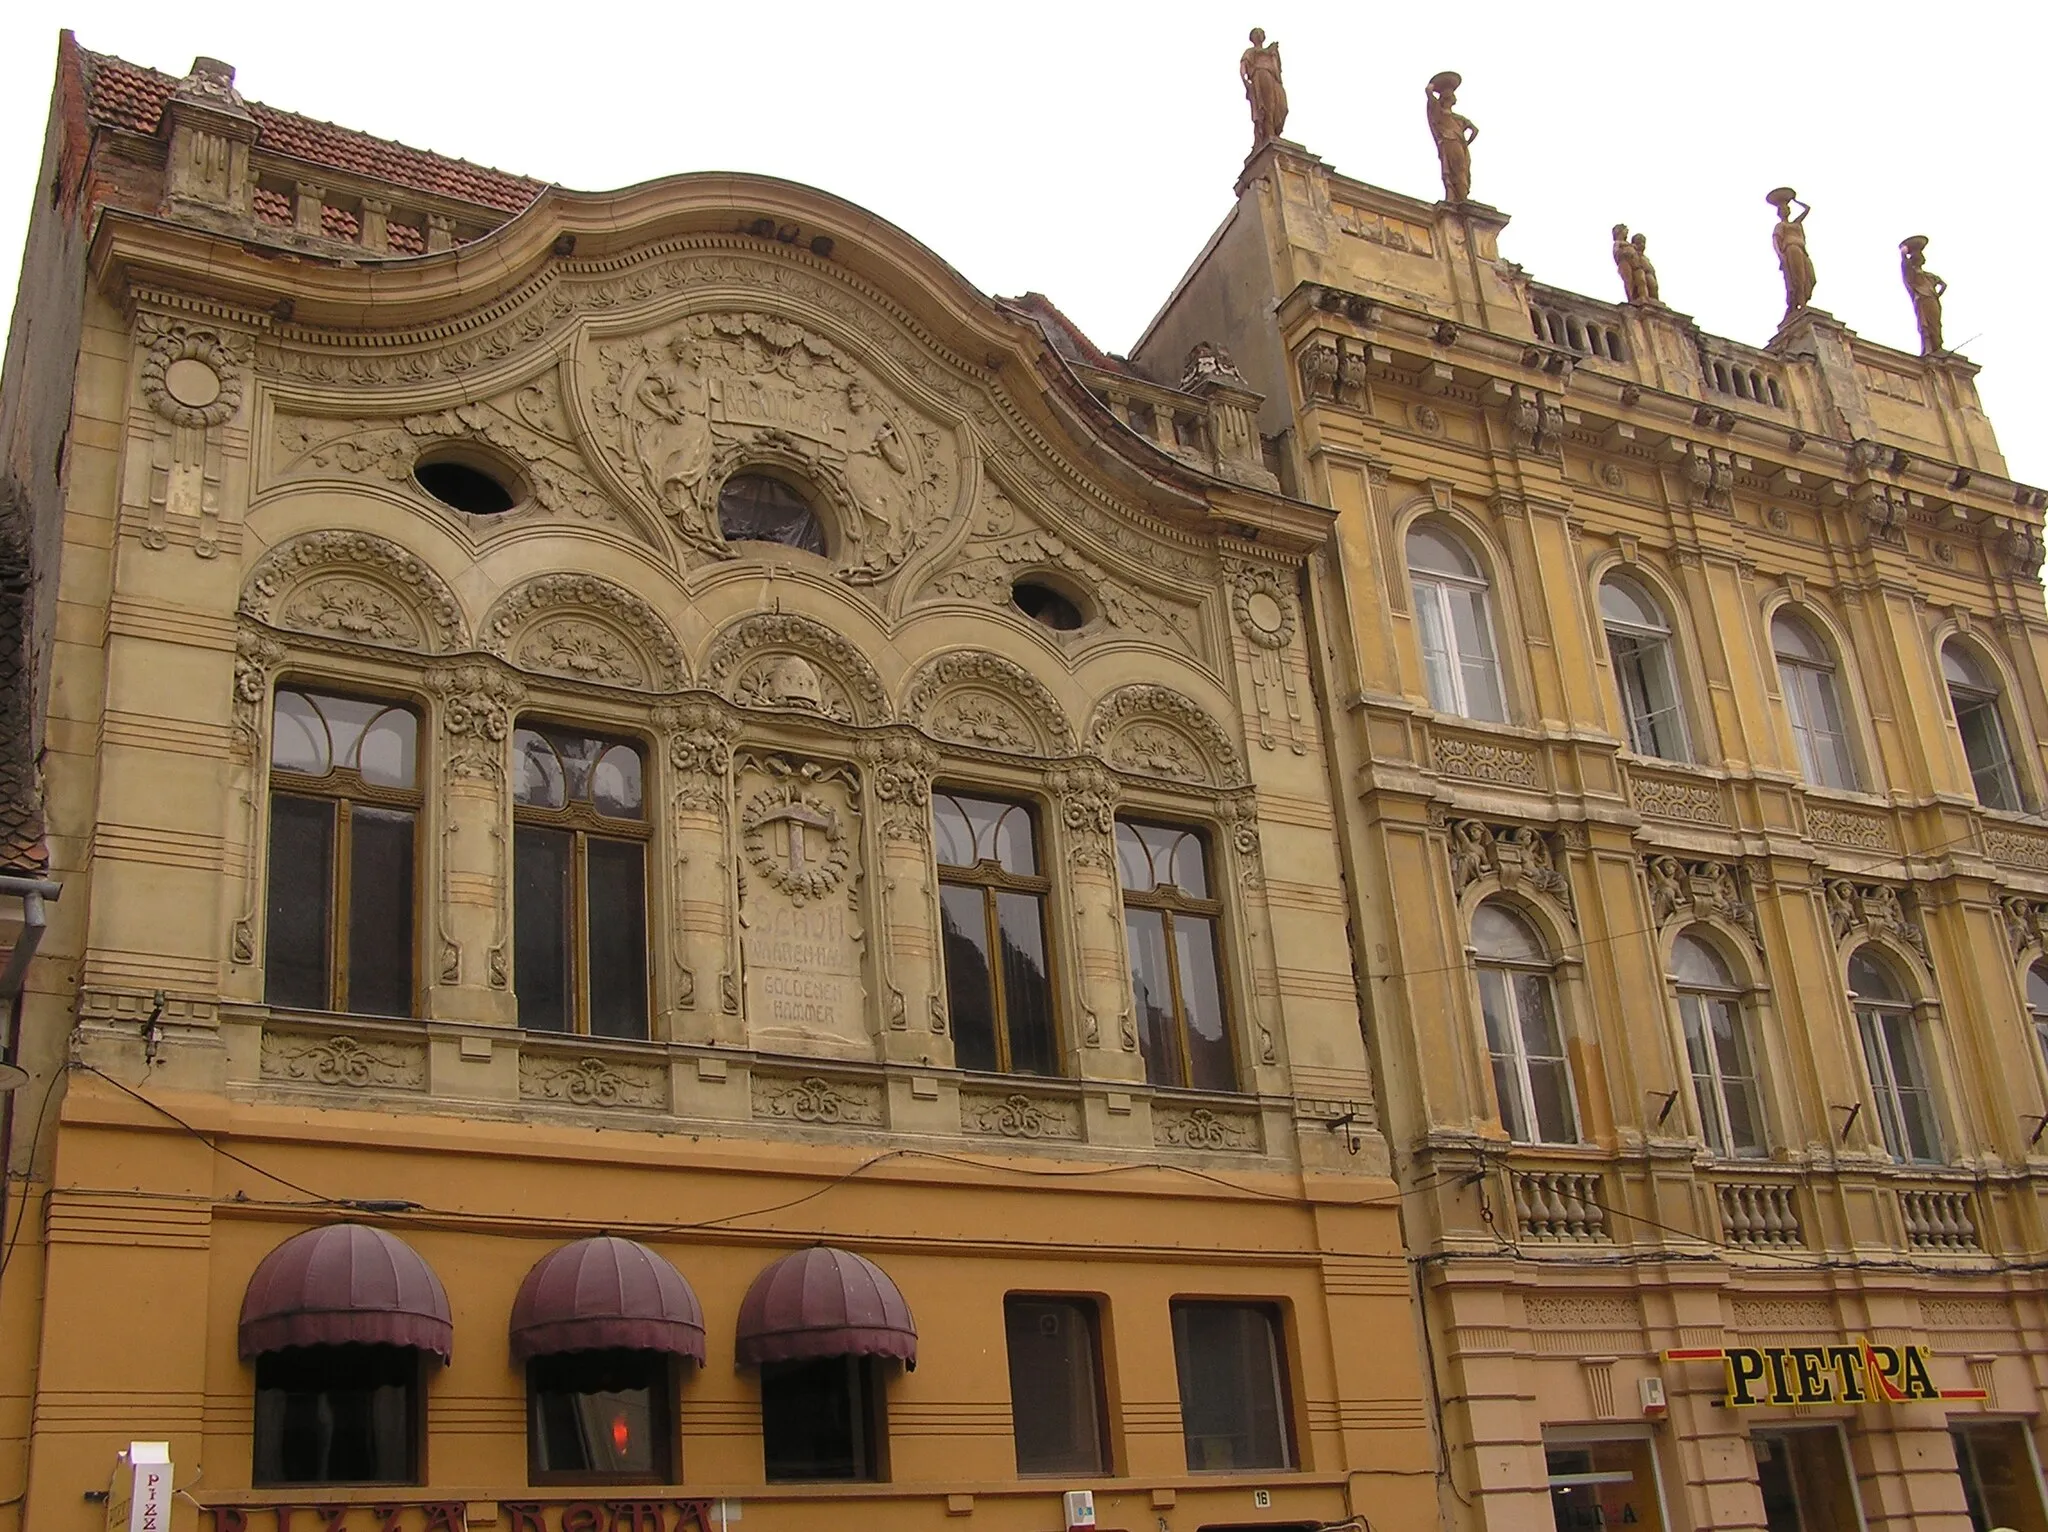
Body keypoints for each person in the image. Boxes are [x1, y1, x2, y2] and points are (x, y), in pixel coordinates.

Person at [1427, 72, 1478, 203]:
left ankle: (1461, 198)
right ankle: (1457, 197)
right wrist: (1432, 88)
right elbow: (1429, 93)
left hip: (1455, 143)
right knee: (1450, 170)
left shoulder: (1458, 118)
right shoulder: (1439, 113)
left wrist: (1466, 143)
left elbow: (1475, 130)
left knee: (1460, 170)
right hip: (1449, 142)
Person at [1768, 188, 1815, 314]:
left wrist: (1794, 200)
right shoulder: (1781, 226)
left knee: (1810, 278)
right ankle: (1800, 304)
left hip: (1802, 251)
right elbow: (1775, 241)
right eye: (1783, 209)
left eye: (1787, 208)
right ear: (1779, 213)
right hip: (1791, 250)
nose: (1785, 210)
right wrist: (1780, 255)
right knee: (1797, 278)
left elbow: (1807, 209)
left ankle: (1801, 302)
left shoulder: (1796, 224)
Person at [1900, 235, 1947, 354]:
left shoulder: (1929, 275)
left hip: (1931, 300)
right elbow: (1905, 266)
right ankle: (1928, 348)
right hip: (1921, 299)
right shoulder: (1912, 273)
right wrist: (1903, 254)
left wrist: (1936, 295)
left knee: (1936, 324)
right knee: (1924, 325)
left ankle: (1938, 347)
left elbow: (1943, 284)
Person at [1240, 29, 1288, 146]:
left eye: (1261, 33)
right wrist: (1246, 83)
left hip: (1273, 78)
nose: (1259, 35)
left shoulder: (1270, 51)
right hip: (1260, 74)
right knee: (1267, 105)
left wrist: (1274, 53)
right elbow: (1243, 67)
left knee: (1282, 107)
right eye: (1256, 33)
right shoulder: (1251, 51)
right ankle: (1269, 133)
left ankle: (1274, 132)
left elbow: (1278, 67)